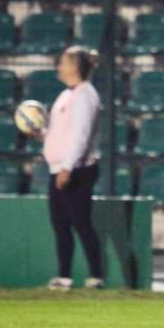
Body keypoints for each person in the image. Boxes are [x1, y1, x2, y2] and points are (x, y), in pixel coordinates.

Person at [40, 46, 103, 291]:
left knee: (81, 222)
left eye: (64, 63)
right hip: (59, 168)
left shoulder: (85, 94)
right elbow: (59, 132)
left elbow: (81, 134)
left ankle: (96, 275)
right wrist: (40, 132)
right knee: (60, 223)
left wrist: (67, 167)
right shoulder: (67, 95)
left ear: (76, 67)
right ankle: (64, 276)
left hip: (77, 169)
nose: (59, 67)